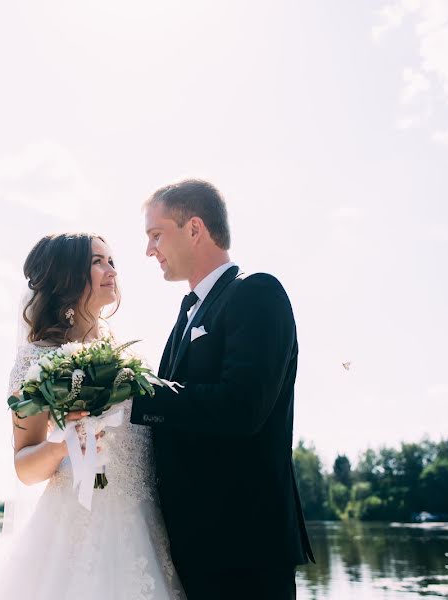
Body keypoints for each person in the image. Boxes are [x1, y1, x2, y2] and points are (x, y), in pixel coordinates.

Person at [130, 179, 314, 599]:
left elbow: (242, 408)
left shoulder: (257, 292)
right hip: (193, 547)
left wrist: (134, 395)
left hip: (244, 549)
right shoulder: (187, 312)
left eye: (156, 235)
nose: (149, 250)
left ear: (194, 229)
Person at [0, 232, 185, 600]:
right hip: (75, 527)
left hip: (145, 522)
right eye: (97, 261)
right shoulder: (34, 361)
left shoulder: (129, 359)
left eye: (112, 262)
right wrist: (62, 444)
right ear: (67, 276)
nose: (112, 271)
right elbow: (25, 467)